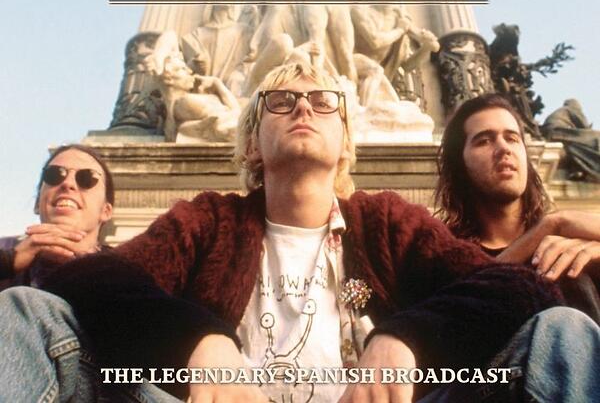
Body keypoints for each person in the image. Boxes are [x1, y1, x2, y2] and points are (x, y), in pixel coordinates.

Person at [1, 64, 600, 403]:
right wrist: (198, 343)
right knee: (28, 312)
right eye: (282, 101)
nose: (304, 109)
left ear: (346, 143)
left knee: (562, 330)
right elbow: (92, 279)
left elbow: (519, 289)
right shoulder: (208, 220)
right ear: (252, 145)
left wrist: (406, 339)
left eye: (322, 102)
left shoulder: (388, 222)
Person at [435, 93, 600, 321]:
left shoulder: (570, 240)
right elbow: (450, 309)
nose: (504, 148)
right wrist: (551, 225)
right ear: (460, 164)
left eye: (512, 138)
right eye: (484, 141)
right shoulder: (444, 254)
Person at [0, 144, 114, 291]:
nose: (67, 183)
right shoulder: (5, 249)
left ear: (106, 211)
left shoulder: (124, 270)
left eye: (87, 178)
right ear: (37, 203)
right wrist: (7, 262)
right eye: (54, 175)